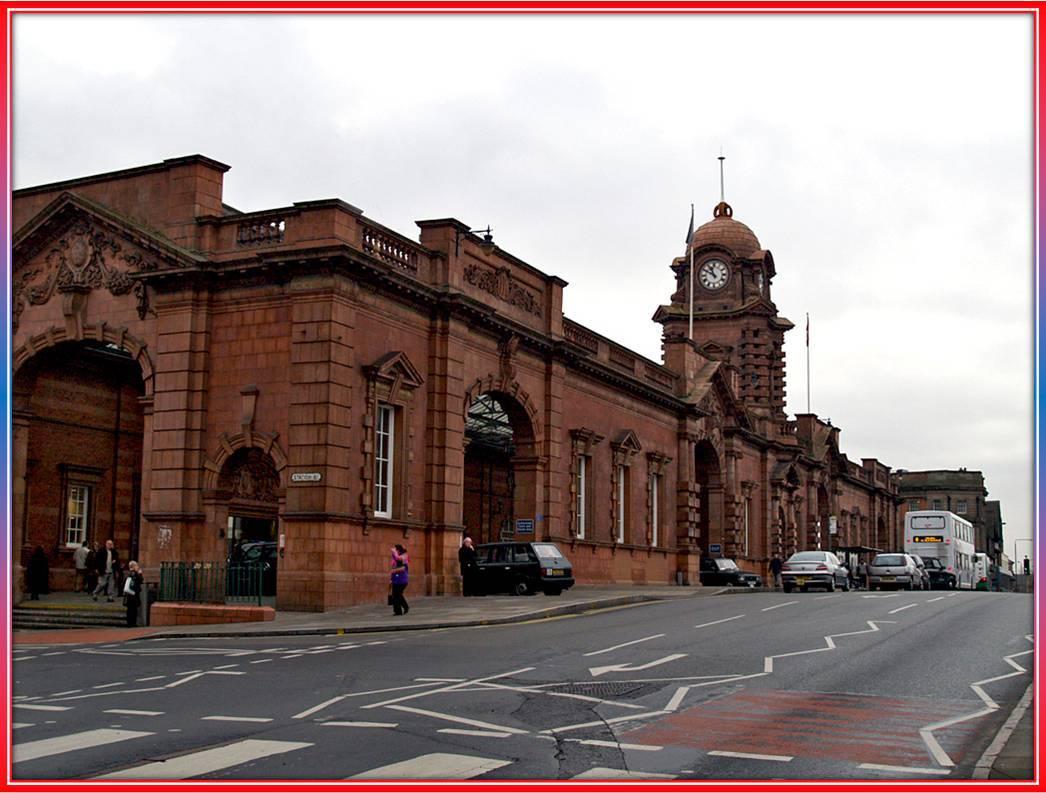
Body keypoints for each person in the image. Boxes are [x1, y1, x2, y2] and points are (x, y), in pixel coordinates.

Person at [390, 544, 409, 616]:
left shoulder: (404, 556)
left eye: (396, 549)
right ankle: (400, 609)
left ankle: (400, 610)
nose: (395, 551)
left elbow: (403, 567)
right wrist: (391, 579)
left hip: (402, 580)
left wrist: (394, 553)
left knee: (397, 595)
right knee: (396, 595)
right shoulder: (395, 558)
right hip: (395, 579)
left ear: (398, 550)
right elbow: (393, 567)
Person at [123, 560, 144, 627]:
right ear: (134, 567)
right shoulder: (134, 574)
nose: (138, 567)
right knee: (133, 609)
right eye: (137, 566)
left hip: (130, 595)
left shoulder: (129, 574)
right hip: (133, 594)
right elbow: (140, 581)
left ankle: (130, 622)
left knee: (130, 609)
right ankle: (132, 623)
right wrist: (140, 574)